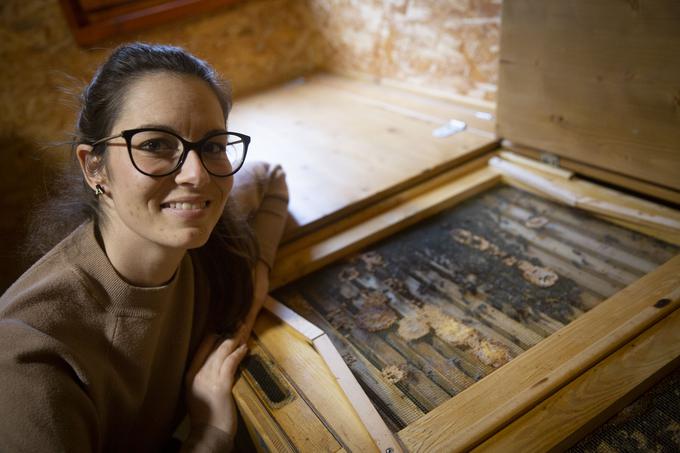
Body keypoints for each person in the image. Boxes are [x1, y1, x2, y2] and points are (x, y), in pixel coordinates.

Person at [0, 42, 289, 452]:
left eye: (212, 145)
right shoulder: (28, 361)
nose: (196, 175)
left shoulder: (209, 237)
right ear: (94, 166)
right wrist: (210, 434)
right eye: (155, 145)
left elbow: (269, 175)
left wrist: (252, 287)